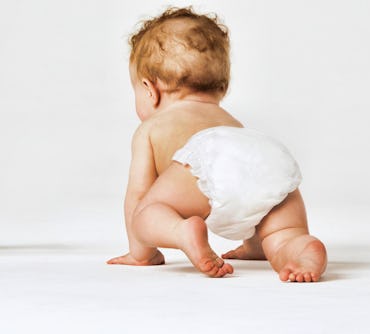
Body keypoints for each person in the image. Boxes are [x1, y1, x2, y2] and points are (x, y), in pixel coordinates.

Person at [107, 6, 327, 282]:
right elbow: (243, 184)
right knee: (280, 230)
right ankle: (296, 247)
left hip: (205, 162)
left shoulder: (150, 129)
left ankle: (181, 232)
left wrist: (142, 252)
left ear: (150, 90)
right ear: (221, 87)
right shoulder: (230, 122)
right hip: (266, 154)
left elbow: (137, 195)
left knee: (146, 213)